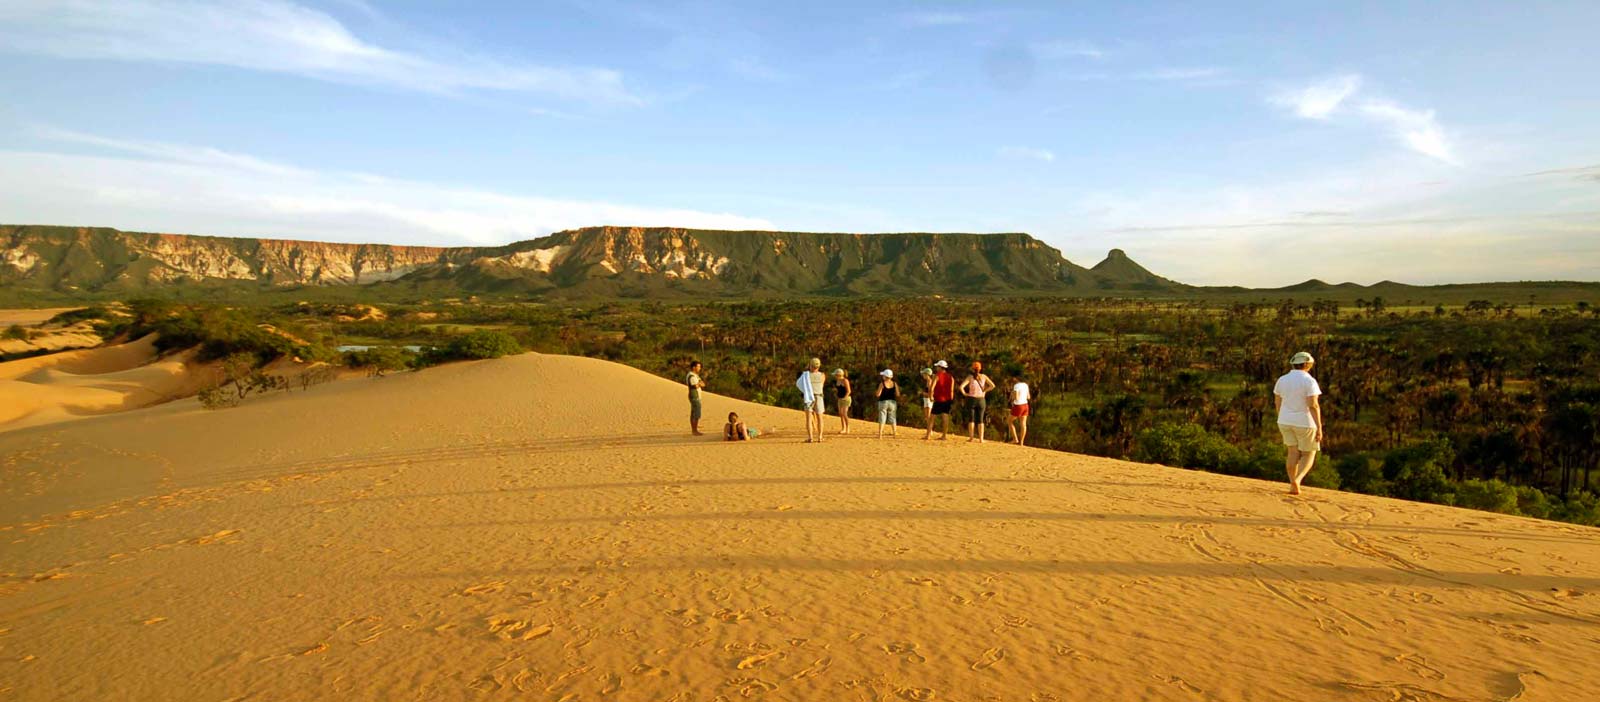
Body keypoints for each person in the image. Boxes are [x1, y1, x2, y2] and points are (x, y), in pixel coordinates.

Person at [1274, 351, 1324, 495]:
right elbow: (1313, 405)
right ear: (1308, 364)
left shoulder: (1282, 379)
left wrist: (1281, 417)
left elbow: (1277, 401)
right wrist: (1319, 427)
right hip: (1305, 422)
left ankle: (1292, 483)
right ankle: (1298, 479)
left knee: (1292, 452)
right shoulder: (1309, 381)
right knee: (1308, 453)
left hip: (1284, 421)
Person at [961, 361, 996, 443]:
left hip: (971, 399)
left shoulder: (970, 377)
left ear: (972, 368)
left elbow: (961, 387)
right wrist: (985, 391)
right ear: (980, 368)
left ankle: (971, 438)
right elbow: (992, 385)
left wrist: (965, 393)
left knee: (971, 419)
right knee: (980, 419)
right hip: (981, 399)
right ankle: (981, 439)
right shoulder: (984, 376)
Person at [796, 357, 826, 443]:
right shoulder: (822, 375)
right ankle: (820, 437)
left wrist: (805, 390)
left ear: (810, 365)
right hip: (819, 396)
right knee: (820, 417)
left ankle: (810, 437)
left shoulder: (805, 375)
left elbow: (798, 384)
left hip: (808, 397)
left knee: (809, 418)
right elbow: (821, 386)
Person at [925, 360, 955, 440]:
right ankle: (944, 435)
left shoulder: (937, 375)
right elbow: (952, 390)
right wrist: (951, 399)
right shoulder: (951, 377)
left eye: (937, 367)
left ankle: (928, 435)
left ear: (940, 367)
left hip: (939, 399)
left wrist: (931, 396)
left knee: (932, 417)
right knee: (945, 416)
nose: (936, 368)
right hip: (947, 399)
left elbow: (932, 387)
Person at [1006, 372, 1031, 446]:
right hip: (1025, 405)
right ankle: (1021, 442)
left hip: (1018, 405)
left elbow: (1016, 396)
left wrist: (1012, 398)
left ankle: (1015, 438)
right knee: (1023, 424)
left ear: (1017, 379)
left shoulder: (1016, 385)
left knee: (1009, 421)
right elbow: (1028, 397)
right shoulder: (1025, 385)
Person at [875, 369, 899, 438]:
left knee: (882, 418)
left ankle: (880, 434)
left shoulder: (882, 384)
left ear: (885, 376)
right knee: (893, 418)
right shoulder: (894, 384)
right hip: (892, 402)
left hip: (883, 402)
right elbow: (897, 394)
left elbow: (878, 394)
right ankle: (894, 433)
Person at [686, 360, 706, 436]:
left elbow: (703, 384)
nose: (699, 368)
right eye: (698, 366)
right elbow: (695, 385)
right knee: (696, 414)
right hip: (694, 396)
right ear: (694, 367)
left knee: (694, 413)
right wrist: (699, 384)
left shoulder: (695, 375)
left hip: (697, 395)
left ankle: (694, 429)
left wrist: (700, 384)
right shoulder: (691, 376)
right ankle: (694, 430)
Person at [832, 368, 853, 435]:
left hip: (846, 399)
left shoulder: (845, 380)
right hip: (840, 399)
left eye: (836, 375)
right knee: (841, 413)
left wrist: (844, 397)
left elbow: (849, 391)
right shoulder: (838, 381)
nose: (835, 376)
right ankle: (843, 428)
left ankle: (847, 428)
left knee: (844, 413)